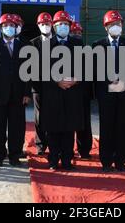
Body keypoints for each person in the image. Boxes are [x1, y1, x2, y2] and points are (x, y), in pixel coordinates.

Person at [0, 14, 31, 167]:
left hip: (18, 94)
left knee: (16, 127)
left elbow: (27, 71)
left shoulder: (24, 46)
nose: (9, 28)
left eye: (12, 25)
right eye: (5, 26)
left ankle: (14, 155)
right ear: (0, 28)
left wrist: (26, 92)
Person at [40, 11, 84, 170]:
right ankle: (53, 160)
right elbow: (40, 71)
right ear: (54, 27)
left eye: (66, 24)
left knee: (68, 128)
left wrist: (75, 79)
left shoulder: (78, 44)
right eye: (60, 24)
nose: (63, 27)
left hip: (72, 92)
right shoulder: (46, 45)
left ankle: (67, 160)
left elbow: (86, 68)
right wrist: (57, 81)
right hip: (53, 93)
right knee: (53, 128)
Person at [93, 10, 125, 172]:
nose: (116, 27)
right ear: (106, 27)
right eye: (112, 24)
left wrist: (122, 79)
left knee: (121, 126)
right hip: (106, 91)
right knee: (106, 127)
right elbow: (95, 69)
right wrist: (109, 78)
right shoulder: (98, 45)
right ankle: (106, 161)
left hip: (123, 90)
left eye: (118, 24)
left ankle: (120, 161)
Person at [30, 12, 53, 155]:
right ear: (38, 26)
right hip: (38, 86)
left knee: (53, 115)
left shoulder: (57, 41)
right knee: (39, 116)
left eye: (48, 23)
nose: (45, 26)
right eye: (42, 24)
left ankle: (52, 144)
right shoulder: (33, 43)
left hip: (55, 87)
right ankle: (40, 144)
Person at [70, 22, 93, 159]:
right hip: (68, 91)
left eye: (79, 33)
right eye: (74, 33)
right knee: (68, 122)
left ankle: (84, 150)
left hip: (83, 92)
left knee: (84, 122)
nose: (77, 36)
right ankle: (67, 149)